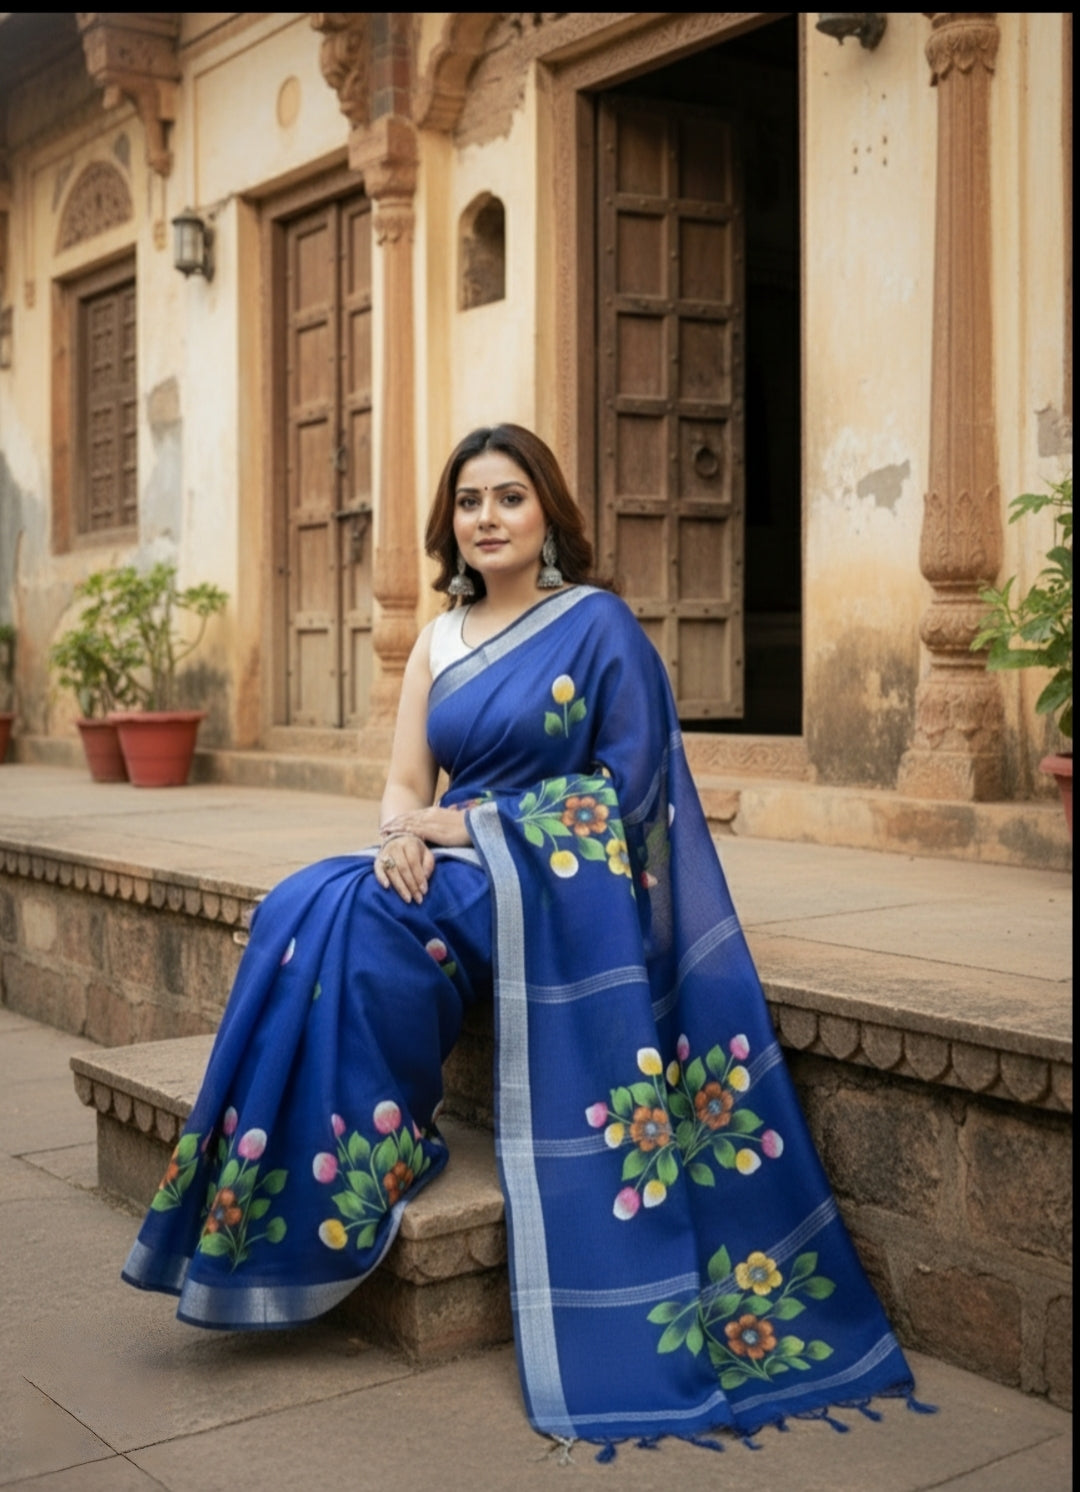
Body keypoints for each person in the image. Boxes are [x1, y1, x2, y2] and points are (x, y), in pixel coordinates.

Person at [123, 425, 926, 1453]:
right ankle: (366, 1149)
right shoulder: (439, 638)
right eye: (470, 502)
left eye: (509, 497)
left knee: (364, 930)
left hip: (550, 887)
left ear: (547, 512)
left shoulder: (596, 628)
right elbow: (408, 777)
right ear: (449, 524)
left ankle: (378, 1147)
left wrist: (472, 827)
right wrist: (395, 835)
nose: (488, 518)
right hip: (450, 861)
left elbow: (631, 795)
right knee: (302, 904)